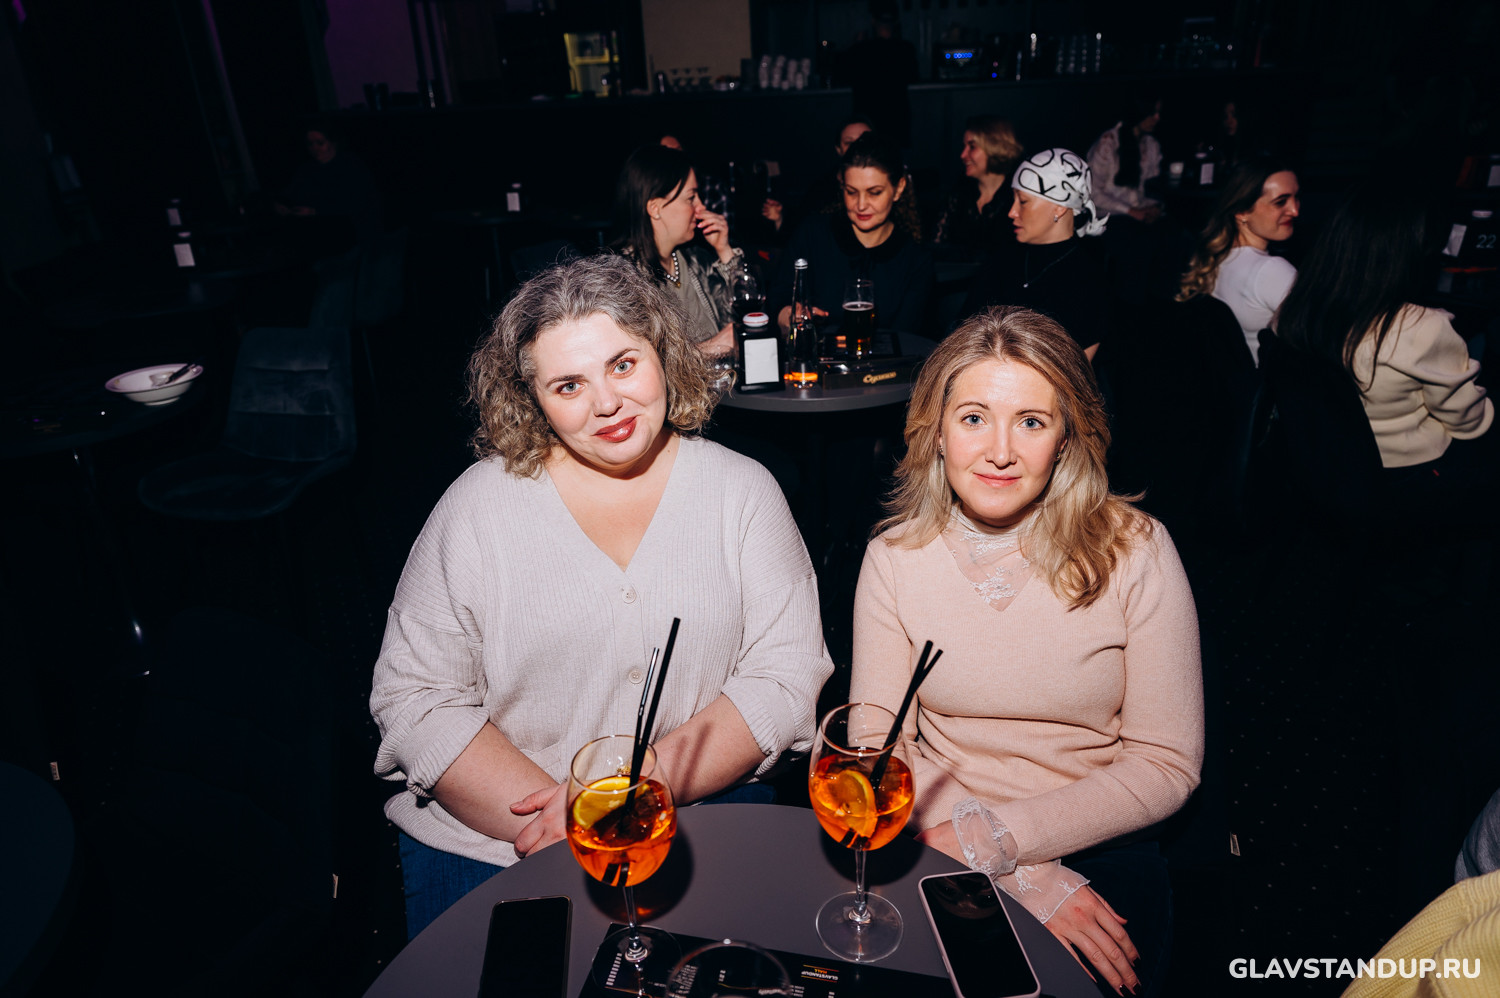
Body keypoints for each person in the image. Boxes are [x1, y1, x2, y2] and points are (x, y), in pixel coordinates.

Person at [370, 256, 832, 937]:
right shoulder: (475, 509)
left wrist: (636, 789)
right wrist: (565, 823)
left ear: (663, 354)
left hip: (696, 819)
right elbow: (416, 698)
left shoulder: (744, 493)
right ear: (531, 398)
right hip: (496, 839)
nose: (607, 403)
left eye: (623, 364)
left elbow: (783, 677)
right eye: (569, 385)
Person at [851, 307, 1203, 997]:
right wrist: (1021, 875)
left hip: (1099, 839)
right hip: (933, 832)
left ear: (1067, 439)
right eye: (974, 418)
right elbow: (877, 746)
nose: (1000, 451)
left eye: (1032, 422)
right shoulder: (894, 557)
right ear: (936, 431)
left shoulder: (1137, 550)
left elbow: (1167, 763)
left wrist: (999, 843)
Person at [1274, 190, 1493, 483]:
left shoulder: (1293, 311)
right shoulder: (1423, 327)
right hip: (1402, 475)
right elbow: (1467, 422)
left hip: (1317, 465)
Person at [770, 132, 934, 337]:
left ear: (898, 188)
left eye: (874, 192)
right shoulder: (812, 234)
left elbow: (908, 337)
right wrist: (788, 315)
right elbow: (778, 298)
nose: (861, 205)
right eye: (851, 192)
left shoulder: (916, 259)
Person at [962, 149, 1111, 359]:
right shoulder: (1002, 260)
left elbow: (1072, 372)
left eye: (1023, 201)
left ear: (1059, 207)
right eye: (1013, 199)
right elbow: (962, 332)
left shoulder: (1087, 281)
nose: (1012, 212)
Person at [610, 144, 743, 357]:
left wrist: (724, 251)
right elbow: (640, 362)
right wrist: (710, 348)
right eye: (691, 198)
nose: (701, 207)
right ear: (655, 208)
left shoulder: (696, 260)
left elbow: (744, 319)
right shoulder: (622, 281)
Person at [1176, 160, 1301, 364]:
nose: (1295, 211)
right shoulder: (1271, 271)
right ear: (1242, 212)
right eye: (1281, 202)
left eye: (1296, 197)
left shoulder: (1216, 260)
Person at [762, 119, 872, 238]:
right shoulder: (822, 188)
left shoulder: (886, 183)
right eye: (849, 142)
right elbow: (802, 230)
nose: (856, 147)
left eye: (863, 140)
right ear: (839, 149)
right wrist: (780, 219)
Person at [933, 116, 1025, 256]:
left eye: (972, 147)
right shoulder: (959, 194)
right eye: (964, 147)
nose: (963, 155)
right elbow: (937, 247)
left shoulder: (1018, 197)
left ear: (994, 148)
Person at [275, 123, 383, 238]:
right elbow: (293, 190)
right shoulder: (307, 168)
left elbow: (356, 202)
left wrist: (315, 211)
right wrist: (282, 203)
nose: (315, 148)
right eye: (310, 144)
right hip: (315, 226)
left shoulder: (351, 165)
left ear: (333, 142)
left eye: (320, 143)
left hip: (348, 226)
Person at [1087, 97, 1164, 224]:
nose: (1157, 118)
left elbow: (1151, 188)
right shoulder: (1109, 142)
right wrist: (1130, 211)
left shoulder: (1151, 145)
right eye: (1151, 113)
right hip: (1109, 216)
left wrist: (1154, 207)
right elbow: (1093, 193)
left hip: (1138, 213)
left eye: (1158, 113)